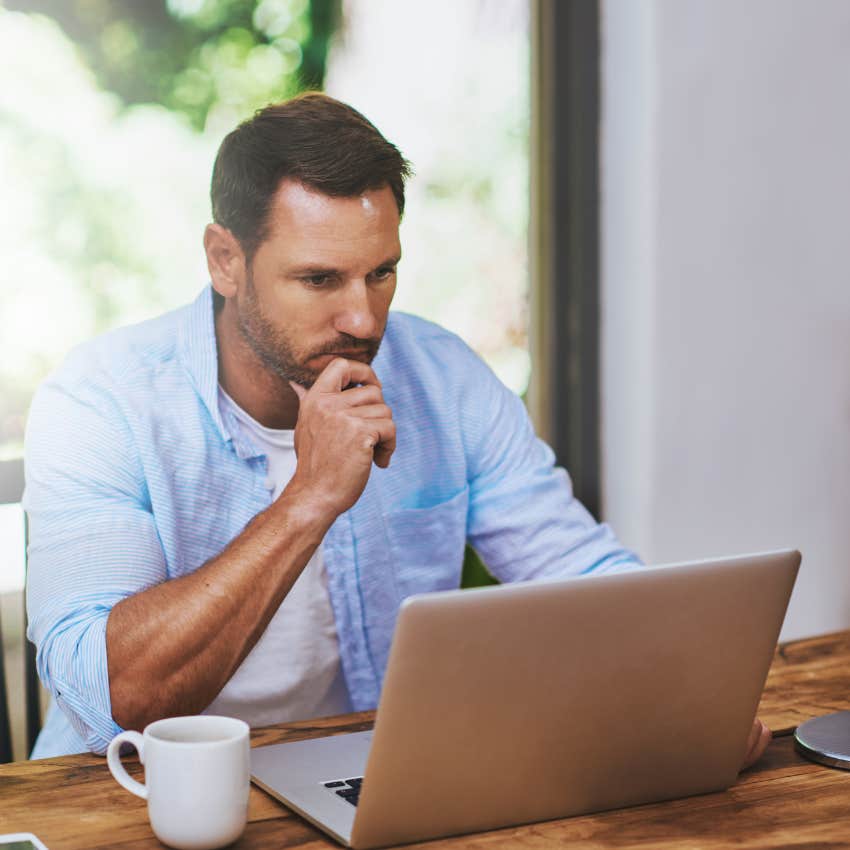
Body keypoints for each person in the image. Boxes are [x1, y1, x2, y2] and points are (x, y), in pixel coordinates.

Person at [23, 93, 770, 767]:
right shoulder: (103, 401)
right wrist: (308, 499)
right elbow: (113, 697)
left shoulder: (443, 378)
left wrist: (691, 693)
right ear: (226, 259)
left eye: (381, 273)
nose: (362, 319)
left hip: (364, 778)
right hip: (134, 794)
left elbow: (578, 572)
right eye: (319, 280)